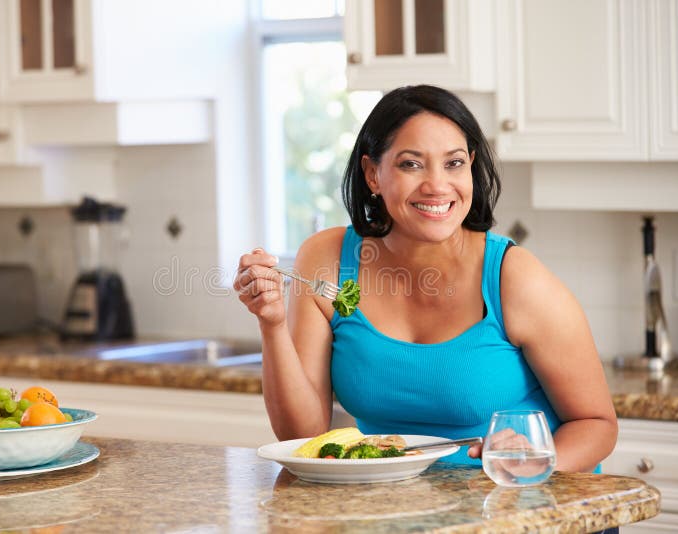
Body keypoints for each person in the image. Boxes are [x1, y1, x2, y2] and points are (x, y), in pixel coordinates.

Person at [234, 85, 617, 473]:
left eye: (453, 163)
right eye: (411, 164)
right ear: (372, 175)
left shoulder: (512, 277)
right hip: (400, 510)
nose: (436, 185)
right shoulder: (327, 260)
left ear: (470, 165)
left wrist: (531, 463)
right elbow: (303, 435)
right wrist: (272, 323)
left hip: (524, 508)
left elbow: (597, 425)